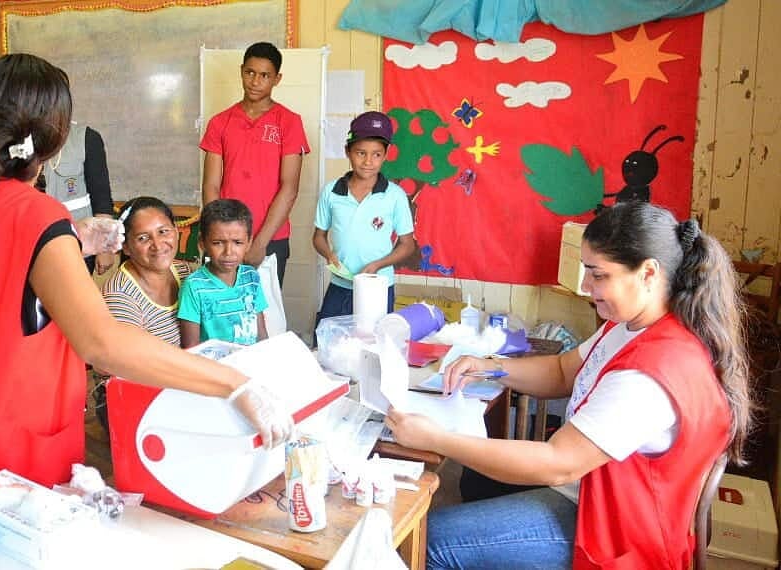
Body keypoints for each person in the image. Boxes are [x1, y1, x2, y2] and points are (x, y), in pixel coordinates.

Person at [0, 53, 293, 506]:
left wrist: (68, 239)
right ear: (54, 138)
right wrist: (233, 383)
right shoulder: (37, 215)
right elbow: (103, 343)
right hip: (8, 437)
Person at [385, 201, 752, 569]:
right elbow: (563, 371)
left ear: (648, 273)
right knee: (476, 479)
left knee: (425, 540)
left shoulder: (650, 375)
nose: (586, 285)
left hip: (612, 528)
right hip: (596, 490)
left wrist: (434, 438)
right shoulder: (629, 325)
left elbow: (557, 463)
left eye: (598, 274)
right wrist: (489, 366)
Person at [200, 41, 309, 286]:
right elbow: (211, 185)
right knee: (218, 314)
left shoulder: (289, 122)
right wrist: (219, 238)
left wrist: (259, 243)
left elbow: (289, 188)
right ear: (241, 71)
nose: (255, 81)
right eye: (250, 73)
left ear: (277, 79)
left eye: (264, 75)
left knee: (264, 317)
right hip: (223, 239)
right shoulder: (220, 122)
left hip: (270, 238)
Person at [313, 111, 415, 323]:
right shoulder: (331, 191)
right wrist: (328, 254)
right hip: (341, 284)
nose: (368, 161)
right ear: (348, 152)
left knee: (372, 345)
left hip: (378, 287)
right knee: (328, 341)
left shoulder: (394, 195)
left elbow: (407, 245)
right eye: (361, 153)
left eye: (376, 154)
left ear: (386, 155)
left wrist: (379, 264)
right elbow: (319, 236)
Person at [102, 196, 191, 345]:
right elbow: (130, 363)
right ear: (126, 247)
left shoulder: (184, 272)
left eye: (163, 231)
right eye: (143, 238)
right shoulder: (120, 297)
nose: (157, 245)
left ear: (176, 231)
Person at [179, 199, 268, 348]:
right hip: (213, 368)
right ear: (202, 242)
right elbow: (191, 348)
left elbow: (261, 335)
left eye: (237, 242)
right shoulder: (194, 286)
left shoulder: (251, 277)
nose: (229, 252)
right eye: (218, 243)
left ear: (249, 243)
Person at [37, 120, 116, 275]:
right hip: (30, 244)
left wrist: (105, 247)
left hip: (78, 246)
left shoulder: (85, 138)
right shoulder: (14, 137)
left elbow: (101, 197)